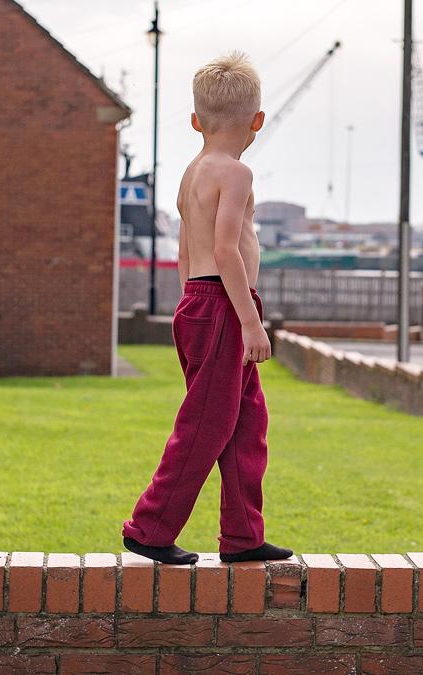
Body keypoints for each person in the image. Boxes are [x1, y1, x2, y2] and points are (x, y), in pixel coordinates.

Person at [121, 52, 292, 566]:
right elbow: (224, 250)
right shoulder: (235, 173)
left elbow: (184, 246)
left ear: (196, 121)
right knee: (205, 427)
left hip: (200, 302)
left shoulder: (193, 171)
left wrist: (190, 304)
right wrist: (249, 322)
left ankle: (243, 537)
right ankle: (149, 528)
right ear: (257, 122)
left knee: (245, 426)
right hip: (224, 306)